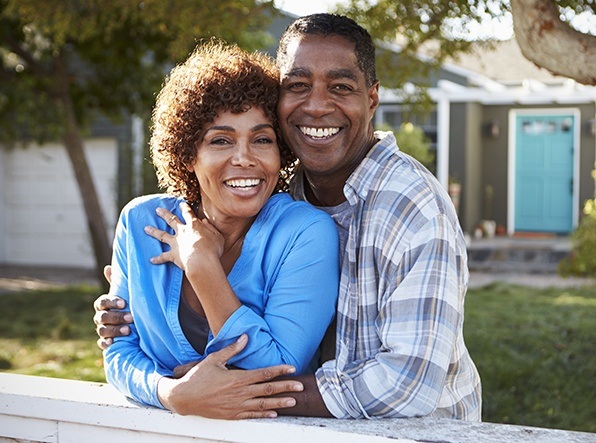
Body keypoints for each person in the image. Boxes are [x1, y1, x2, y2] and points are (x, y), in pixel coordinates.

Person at [95, 13, 482, 421]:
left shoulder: (412, 208)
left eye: (340, 87)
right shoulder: (290, 189)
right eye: (297, 86)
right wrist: (171, 391)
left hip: (420, 432)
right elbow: (122, 348)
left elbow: (409, 384)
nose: (316, 105)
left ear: (372, 98)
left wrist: (227, 392)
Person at [101, 40, 340, 416]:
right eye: (221, 140)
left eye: (262, 139)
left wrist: (201, 265)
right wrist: (170, 392)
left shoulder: (305, 233)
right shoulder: (140, 223)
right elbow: (118, 350)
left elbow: (278, 372)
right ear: (187, 154)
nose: (244, 158)